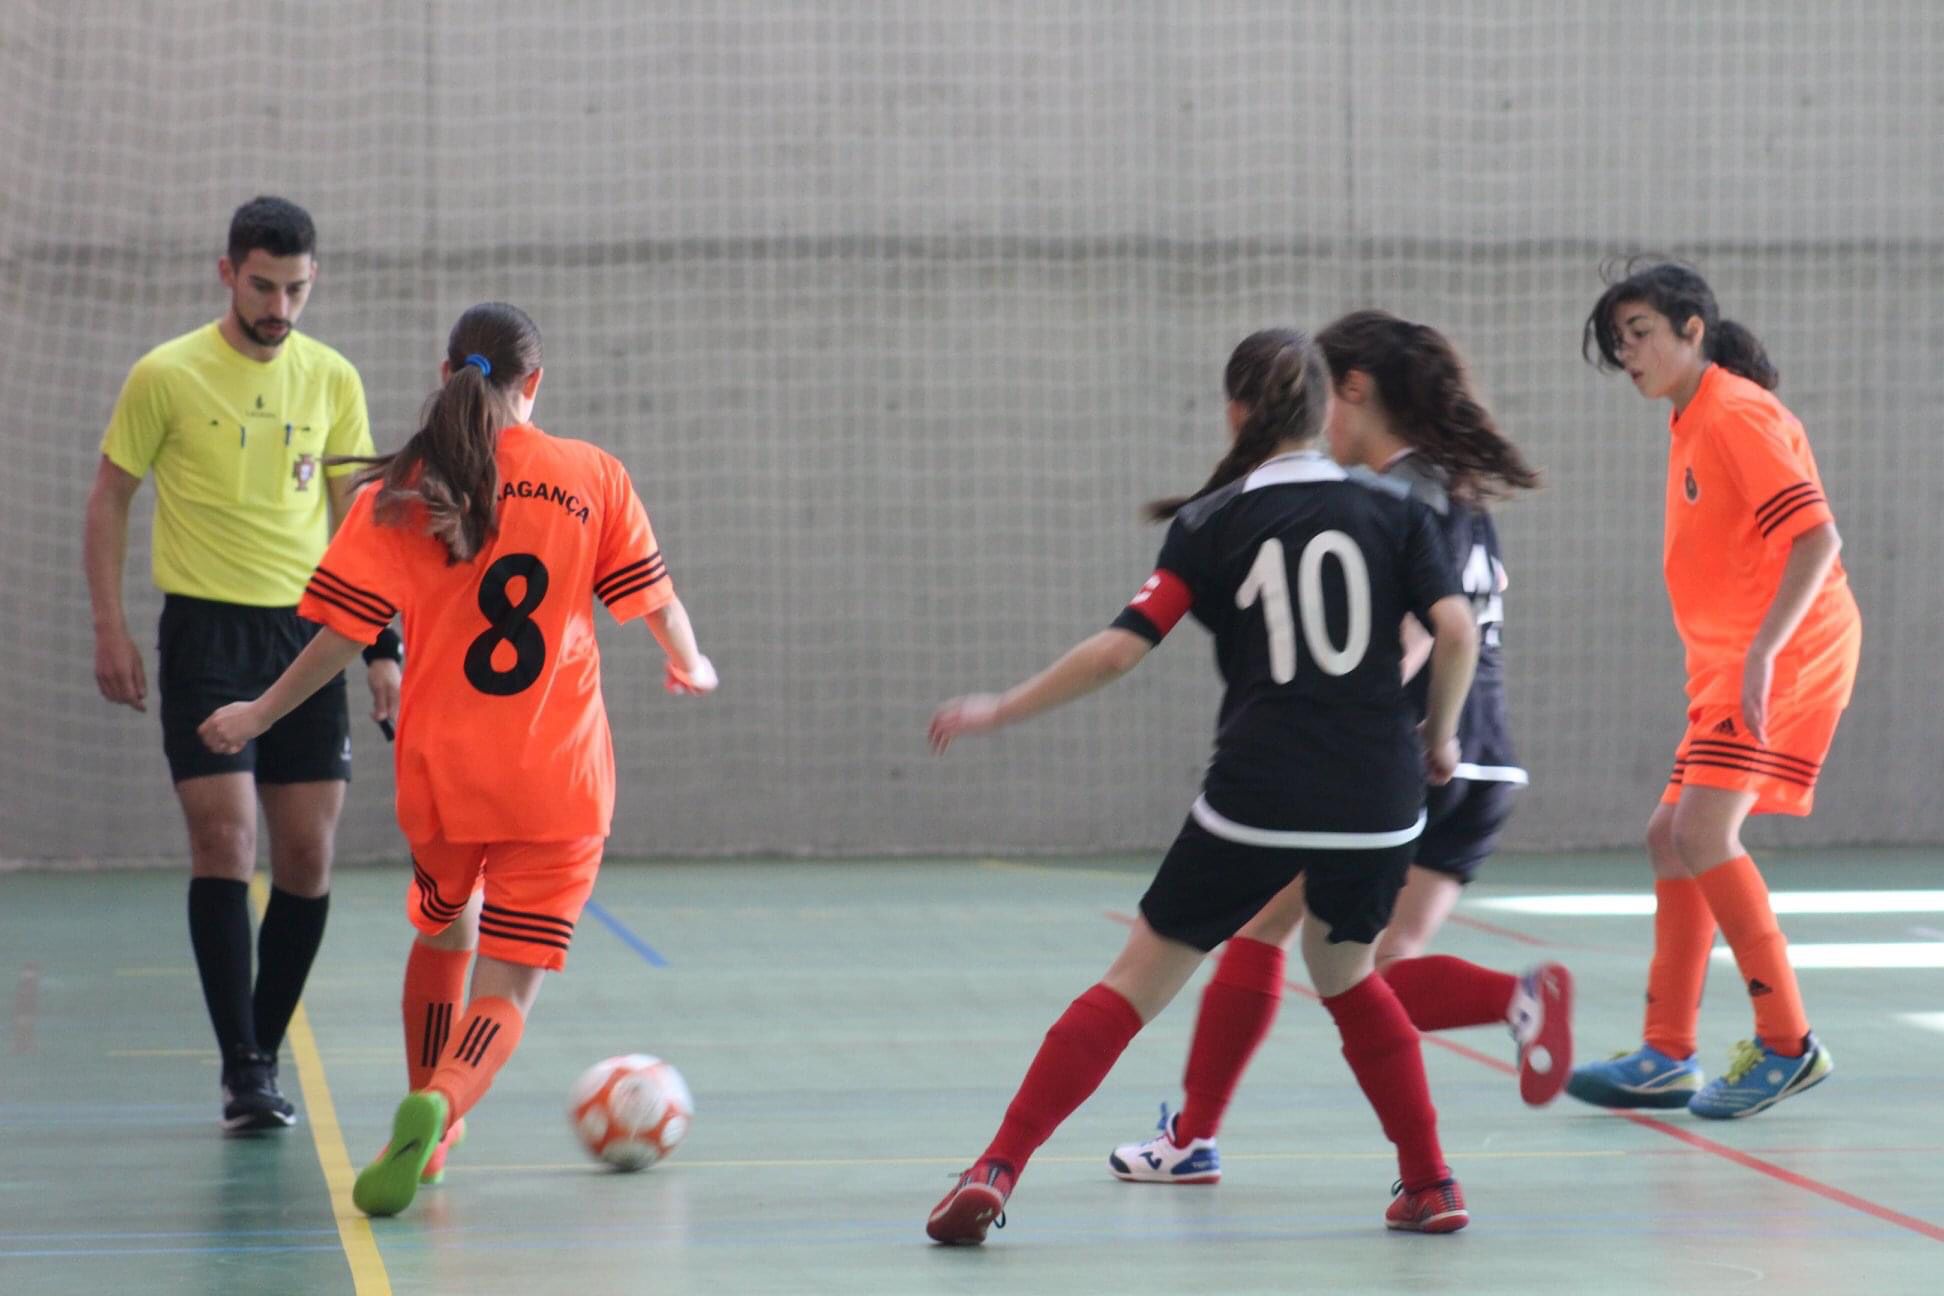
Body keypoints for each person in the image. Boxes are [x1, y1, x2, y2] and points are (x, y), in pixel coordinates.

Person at [924, 328, 1481, 1244]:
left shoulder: (1214, 521)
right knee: (1345, 972)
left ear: (1237, 412)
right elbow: (1455, 632)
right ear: (1324, 409)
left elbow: (1117, 653)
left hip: (1260, 792)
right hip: (1379, 800)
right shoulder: (1396, 512)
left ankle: (996, 1166)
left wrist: (1000, 708)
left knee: (1135, 983)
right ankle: (1429, 1180)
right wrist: (1441, 737)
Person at [199, 302, 717, 1216]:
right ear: (536, 384)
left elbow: (337, 635)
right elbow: (656, 606)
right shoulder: (592, 475)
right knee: (510, 981)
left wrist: (259, 712)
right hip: (557, 780)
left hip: (441, 777)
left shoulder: (403, 489)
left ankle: (432, 1141)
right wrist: (692, 662)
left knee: (444, 929)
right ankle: (441, 1105)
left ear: (446, 375)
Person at [1107, 311, 1570, 1189]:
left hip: (1407, 755)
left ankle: (1195, 1136)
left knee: (1270, 936)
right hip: (1488, 759)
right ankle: (1508, 1010)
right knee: (1368, 967)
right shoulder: (1456, 490)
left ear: (1350, 393)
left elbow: (1420, 637)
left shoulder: (1398, 497)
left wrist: (1344, 717)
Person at [84, 196, 396, 1132]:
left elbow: (363, 525)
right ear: (228, 273)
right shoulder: (166, 375)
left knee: (307, 854)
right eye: (264, 285)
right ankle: (244, 1065)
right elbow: (109, 500)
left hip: (308, 637)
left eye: (297, 289)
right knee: (226, 839)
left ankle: (254, 1054)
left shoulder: (333, 377)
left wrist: (382, 644)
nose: (280, 307)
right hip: (208, 636)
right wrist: (111, 626)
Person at [1567, 260, 1858, 1117]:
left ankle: (1787, 1044)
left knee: (1702, 829)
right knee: (1671, 835)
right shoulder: (1691, 417)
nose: (1629, 354)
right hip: (1734, 659)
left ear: (1694, 328)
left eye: (1642, 333)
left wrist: (1766, 651)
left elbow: (1818, 539)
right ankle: (1666, 1052)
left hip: (1788, 651)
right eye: (1619, 342)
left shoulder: (1735, 412)